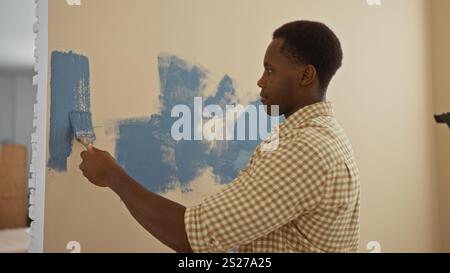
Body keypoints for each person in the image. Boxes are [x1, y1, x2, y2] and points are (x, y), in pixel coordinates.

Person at [79, 20, 360, 253]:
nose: (261, 80)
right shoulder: (327, 135)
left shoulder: (304, 149)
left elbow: (190, 237)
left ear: (305, 76)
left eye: (270, 70)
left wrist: (113, 176)